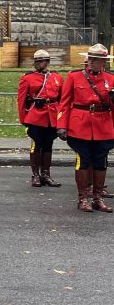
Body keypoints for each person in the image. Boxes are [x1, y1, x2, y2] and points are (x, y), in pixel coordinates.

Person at [56, 44, 114, 212]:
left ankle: (98, 198)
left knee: (101, 163)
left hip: (103, 126)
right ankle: (83, 198)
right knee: (83, 161)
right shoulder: (74, 76)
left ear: (103, 62)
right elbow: (64, 103)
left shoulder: (110, 79)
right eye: (90, 59)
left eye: (96, 60)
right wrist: (61, 125)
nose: (91, 62)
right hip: (79, 126)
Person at [18, 49, 63, 187]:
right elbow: (21, 100)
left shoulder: (57, 77)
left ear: (48, 62)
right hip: (35, 117)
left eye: (41, 61)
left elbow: (62, 99)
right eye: (36, 61)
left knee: (48, 145)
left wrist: (61, 119)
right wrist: (23, 119)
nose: (38, 64)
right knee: (36, 145)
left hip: (51, 116)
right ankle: (35, 175)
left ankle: (46, 174)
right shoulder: (27, 78)